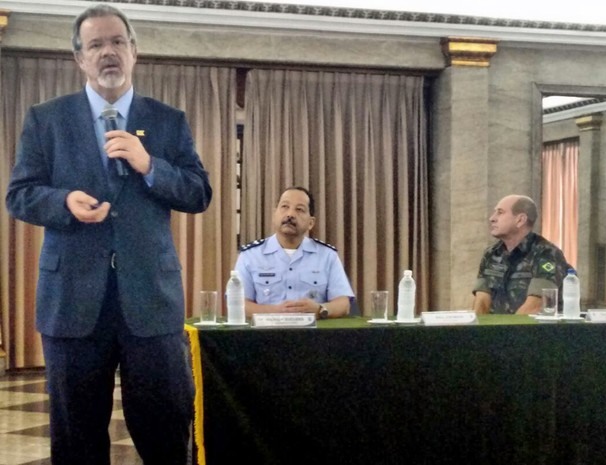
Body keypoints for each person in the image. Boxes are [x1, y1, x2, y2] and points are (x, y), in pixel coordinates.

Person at [5, 4, 212, 465]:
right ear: (80, 59)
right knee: (76, 437)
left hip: (151, 302)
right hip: (72, 302)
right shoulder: (47, 120)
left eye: (117, 41)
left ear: (134, 51)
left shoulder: (167, 120)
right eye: (96, 45)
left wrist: (149, 165)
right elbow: (19, 195)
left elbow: (199, 192)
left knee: (165, 430)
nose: (108, 53)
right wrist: (62, 203)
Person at [234, 186, 354, 319]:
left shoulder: (327, 256)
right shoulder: (250, 255)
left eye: (299, 209)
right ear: (274, 215)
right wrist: (275, 311)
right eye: (285, 206)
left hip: (313, 336)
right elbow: (238, 304)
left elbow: (343, 304)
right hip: (265, 336)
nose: (290, 214)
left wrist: (320, 310)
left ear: (310, 223)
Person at [472, 195, 570, 315]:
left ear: (520, 220)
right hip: (495, 331)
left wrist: (505, 333)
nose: (492, 218)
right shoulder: (491, 254)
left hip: (530, 332)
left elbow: (536, 306)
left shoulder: (546, 253)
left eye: (500, 212)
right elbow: (481, 301)